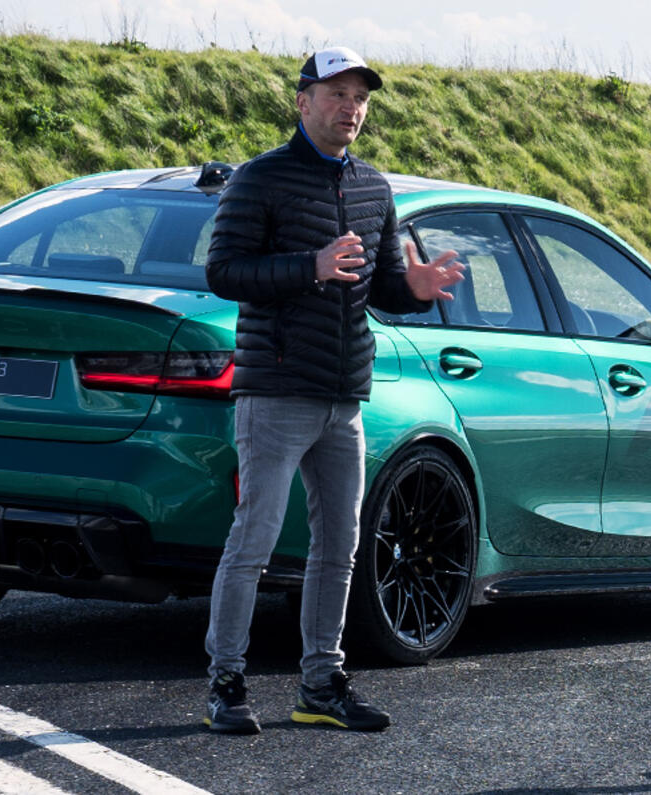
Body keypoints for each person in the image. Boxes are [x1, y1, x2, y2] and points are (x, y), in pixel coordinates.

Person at [201, 46, 464, 735]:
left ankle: (321, 682)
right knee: (253, 540)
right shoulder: (260, 179)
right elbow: (224, 272)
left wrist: (416, 289)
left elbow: (380, 285)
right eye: (339, 95)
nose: (352, 109)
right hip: (275, 389)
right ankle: (226, 682)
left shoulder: (375, 188)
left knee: (340, 544)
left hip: (344, 395)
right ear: (303, 101)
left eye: (361, 98)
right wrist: (310, 267)